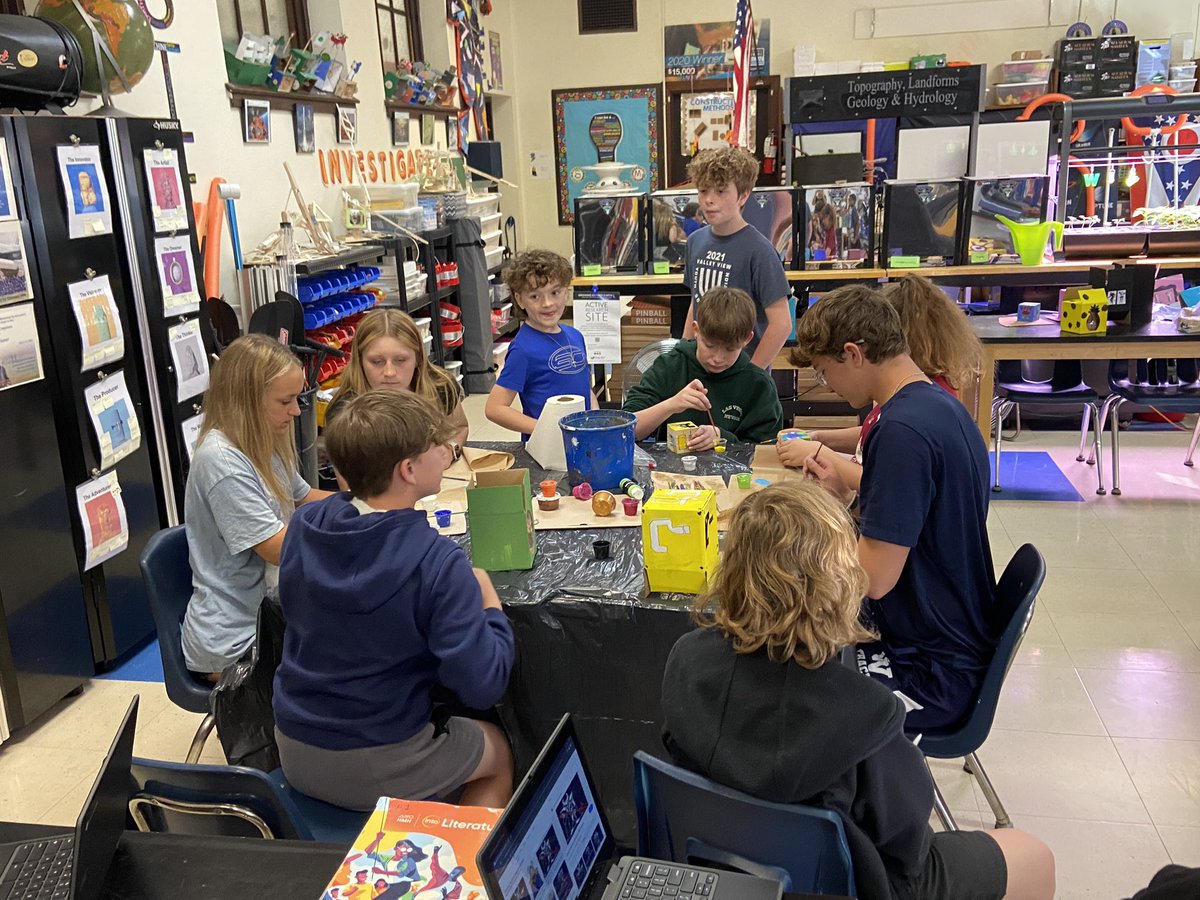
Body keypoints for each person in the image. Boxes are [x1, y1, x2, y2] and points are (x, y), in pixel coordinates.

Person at [661, 480, 1056, 900]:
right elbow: (908, 838)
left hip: (725, 868)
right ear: (838, 585)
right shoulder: (868, 714)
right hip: (856, 884)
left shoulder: (684, 660)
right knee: (1034, 856)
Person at [273, 389, 514, 810]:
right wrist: (490, 606)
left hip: (293, 741)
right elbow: (483, 685)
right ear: (408, 470)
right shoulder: (438, 563)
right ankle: (462, 870)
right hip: (374, 755)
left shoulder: (307, 523)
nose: (445, 453)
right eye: (436, 449)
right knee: (498, 750)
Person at [790, 285, 998, 731]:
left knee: (784, 682)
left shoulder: (901, 430)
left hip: (932, 668)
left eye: (827, 372)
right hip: (947, 632)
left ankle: (834, 799)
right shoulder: (936, 405)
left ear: (853, 354)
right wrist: (843, 503)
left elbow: (873, 580)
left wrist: (803, 548)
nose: (828, 386)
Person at [181, 334, 332, 679]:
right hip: (236, 640)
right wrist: (352, 527)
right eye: (285, 401)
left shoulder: (262, 441)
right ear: (246, 401)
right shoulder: (222, 462)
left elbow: (305, 498)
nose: (296, 411)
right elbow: (278, 548)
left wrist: (369, 502)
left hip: (271, 615)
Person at [778, 274, 982, 488]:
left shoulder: (905, 424)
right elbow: (874, 433)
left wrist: (820, 453)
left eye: (823, 373)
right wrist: (821, 440)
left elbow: (886, 480)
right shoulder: (913, 400)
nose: (828, 387)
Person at [623, 286, 782, 448]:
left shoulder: (759, 385)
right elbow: (625, 430)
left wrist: (722, 437)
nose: (717, 359)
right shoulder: (669, 366)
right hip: (671, 471)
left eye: (730, 349)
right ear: (696, 330)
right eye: (710, 346)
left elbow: (767, 449)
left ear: (747, 339)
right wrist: (671, 405)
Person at [682, 146, 791, 370]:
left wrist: (751, 373)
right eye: (703, 191)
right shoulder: (695, 242)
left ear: (743, 195)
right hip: (702, 370)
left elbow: (781, 324)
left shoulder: (760, 251)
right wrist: (683, 355)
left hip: (741, 368)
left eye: (720, 191)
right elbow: (696, 302)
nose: (709, 200)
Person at [485, 249, 597, 437]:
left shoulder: (576, 336)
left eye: (555, 293)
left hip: (582, 440)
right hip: (545, 449)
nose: (547, 303)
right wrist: (546, 430)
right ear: (520, 300)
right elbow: (495, 408)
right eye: (535, 296)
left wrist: (595, 418)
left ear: (566, 293)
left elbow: (584, 388)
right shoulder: (523, 349)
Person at [328, 308, 468, 447]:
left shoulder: (440, 386)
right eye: (377, 362)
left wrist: (450, 450)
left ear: (418, 358)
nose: (389, 372)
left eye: (400, 360)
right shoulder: (344, 412)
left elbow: (460, 428)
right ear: (360, 361)